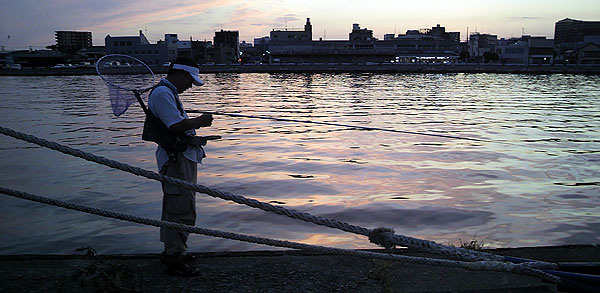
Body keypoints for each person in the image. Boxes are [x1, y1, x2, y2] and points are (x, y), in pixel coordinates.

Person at [145, 56, 213, 277]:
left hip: (182, 156)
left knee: (182, 206)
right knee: (179, 208)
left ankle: (178, 250)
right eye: (190, 80)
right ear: (180, 74)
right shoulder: (163, 93)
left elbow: (175, 126)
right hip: (176, 160)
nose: (190, 86)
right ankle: (174, 257)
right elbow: (175, 125)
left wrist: (194, 136)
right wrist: (200, 121)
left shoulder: (168, 93)